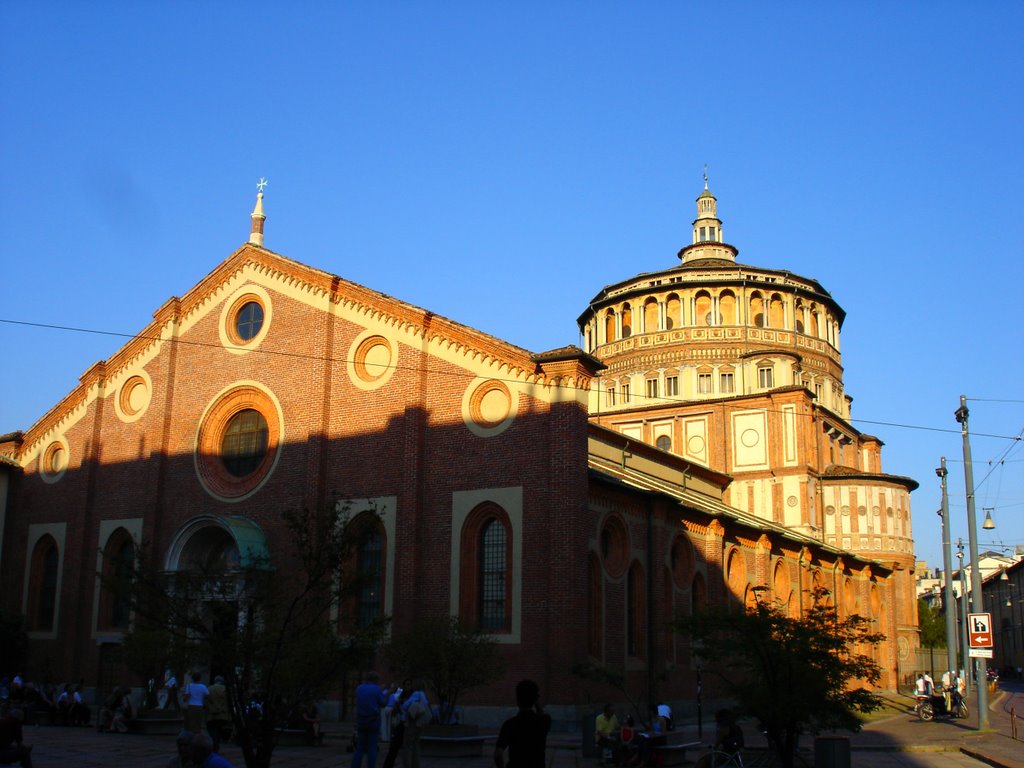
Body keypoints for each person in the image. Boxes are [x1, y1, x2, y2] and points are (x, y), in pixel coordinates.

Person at [494, 679, 551, 768]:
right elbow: (541, 713)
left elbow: (498, 754)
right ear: (536, 698)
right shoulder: (544, 721)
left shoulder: (510, 724)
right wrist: (536, 701)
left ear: (517, 700)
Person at [352, 671, 389, 768]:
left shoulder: (359, 688)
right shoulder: (376, 689)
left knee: (360, 746)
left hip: (361, 720)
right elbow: (383, 703)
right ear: (376, 680)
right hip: (373, 720)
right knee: (372, 747)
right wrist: (386, 693)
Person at [401, 679, 431, 768]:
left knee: (407, 746)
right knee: (416, 745)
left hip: (412, 722)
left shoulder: (416, 694)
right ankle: (416, 765)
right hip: (420, 723)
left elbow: (406, 705)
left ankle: (407, 765)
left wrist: (402, 704)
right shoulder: (423, 695)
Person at [205, 676, 230, 751]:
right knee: (219, 730)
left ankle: (214, 745)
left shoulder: (209, 689)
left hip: (211, 714)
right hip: (223, 714)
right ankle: (216, 744)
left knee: (213, 731)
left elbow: (206, 701)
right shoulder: (226, 689)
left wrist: (211, 708)